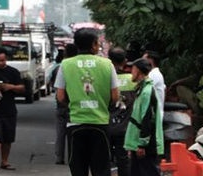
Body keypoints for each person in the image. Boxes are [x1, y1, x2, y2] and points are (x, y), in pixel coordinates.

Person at [55, 28, 120, 176]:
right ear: (94, 45)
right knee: (101, 169)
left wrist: (73, 105)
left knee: (78, 169)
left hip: (76, 123)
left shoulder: (65, 64)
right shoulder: (107, 64)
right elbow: (115, 96)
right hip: (100, 123)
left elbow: (60, 96)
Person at [124, 58, 164, 176]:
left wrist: (142, 144)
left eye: (133, 69)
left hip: (145, 143)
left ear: (139, 71)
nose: (131, 72)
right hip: (138, 141)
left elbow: (147, 118)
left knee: (148, 171)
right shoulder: (141, 90)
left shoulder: (147, 91)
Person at [109, 47, 137, 176]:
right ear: (125, 61)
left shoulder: (105, 79)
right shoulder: (133, 80)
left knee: (104, 159)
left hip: (106, 124)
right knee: (123, 159)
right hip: (126, 127)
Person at [52, 44, 78, 165]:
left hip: (61, 104)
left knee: (60, 132)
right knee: (73, 132)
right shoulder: (78, 67)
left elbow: (56, 87)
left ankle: (59, 157)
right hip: (74, 103)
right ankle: (73, 156)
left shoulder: (60, 67)